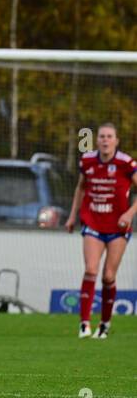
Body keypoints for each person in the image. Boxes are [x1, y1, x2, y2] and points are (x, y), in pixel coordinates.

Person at [65, 122, 137, 339]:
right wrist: (72, 216)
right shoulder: (87, 160)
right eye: (102, 136)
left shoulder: (126, 163)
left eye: (110, 136)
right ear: (97, 140)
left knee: (107, 276)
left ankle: (104, 324)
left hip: (117, 227)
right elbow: (80, 187)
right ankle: (84, 324)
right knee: (91, 270)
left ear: (116, 141)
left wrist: (129, 213)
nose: (105, 140)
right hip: (93, 223)